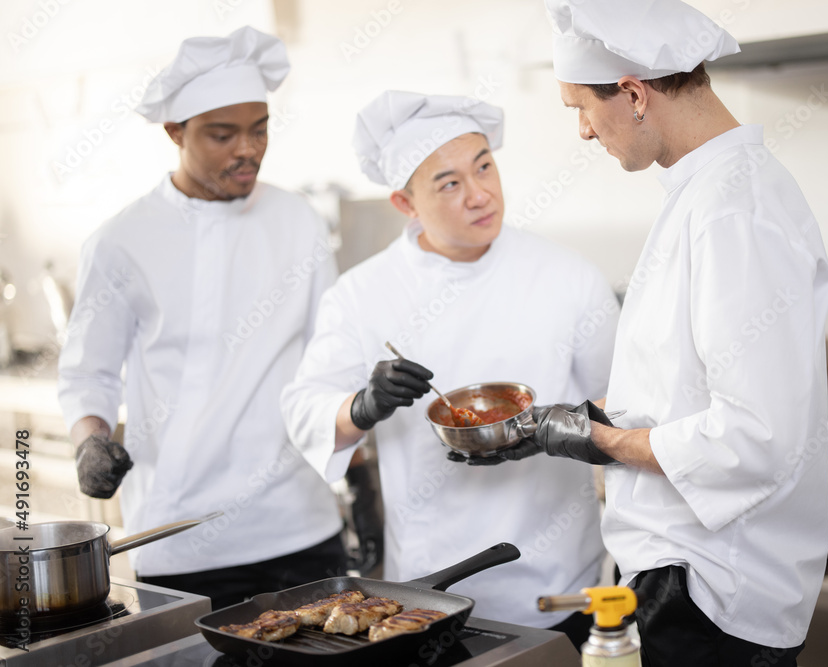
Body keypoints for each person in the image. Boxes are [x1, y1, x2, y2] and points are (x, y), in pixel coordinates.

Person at [481, 1, 828, 664]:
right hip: (689, 573)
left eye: (579, 108)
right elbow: (688, 393)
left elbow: (754, 437)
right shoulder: (707, 194)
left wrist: (601, 438)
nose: (584, 133)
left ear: (635, 95)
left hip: (715, 593)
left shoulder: (735, 211)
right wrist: (576, 426)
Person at [280, 90, 619, 647]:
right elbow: (304, 410)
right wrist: (364, 406)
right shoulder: (362, 294)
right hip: (427, 594)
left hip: (559, 582)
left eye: (485, 166)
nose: (480, 193)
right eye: (449, 183)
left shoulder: (568, 277)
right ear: (405, 204)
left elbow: (624, 406)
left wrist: (553, 429)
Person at [57, 26, 349, 609]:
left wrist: (361, 470)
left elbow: (332, 358)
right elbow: (88, 376)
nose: (248, 149)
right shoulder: (122, 241)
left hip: (301, 523)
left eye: (260, 129)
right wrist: (89, 442)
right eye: (223, 134)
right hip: (180, 537)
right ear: (175, 132)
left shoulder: (298, 221)